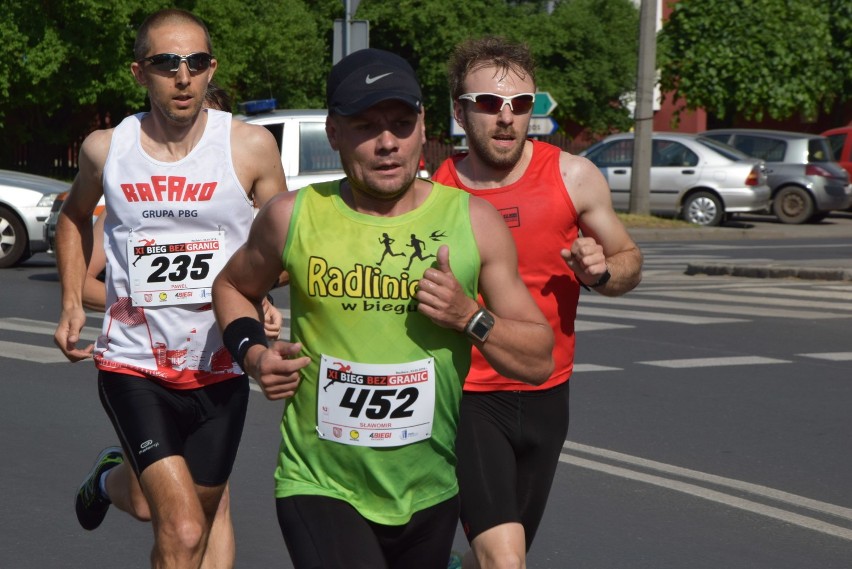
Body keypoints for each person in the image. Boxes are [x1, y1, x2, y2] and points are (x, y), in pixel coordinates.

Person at [211, 48, 554, 569]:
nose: (388, 141)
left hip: (431, 489)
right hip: (320, 483)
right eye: (366, 126)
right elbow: (232, 287)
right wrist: (254, 356)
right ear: (334, 133)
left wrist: (469, 317)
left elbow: (537, 359)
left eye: (400, 122)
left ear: (423, 128)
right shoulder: (292, 216)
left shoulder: (474, 222)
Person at [53, 9, 287, 568]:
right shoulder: (106, 148)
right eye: (166, 63)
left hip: (222, 362)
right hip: (134, 365)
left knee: (177, 514)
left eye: (196, 63)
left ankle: (110, 480)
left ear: (212, 70)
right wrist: (69, 301)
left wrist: (258, 293)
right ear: (139, 73)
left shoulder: (251, 146)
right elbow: (72, 216)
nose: (183, 77)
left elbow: (281, 242)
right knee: (182, 531)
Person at [433, 37, 643, 569]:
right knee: (505, 560)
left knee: (507, 551)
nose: (505, 118)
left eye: (520, 105)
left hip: (548, 390)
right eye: (487, 104)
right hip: (467, 396)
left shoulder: (572, 176)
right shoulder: (435, 189)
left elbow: (628, 259)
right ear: (460, 112)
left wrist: (603, 272)